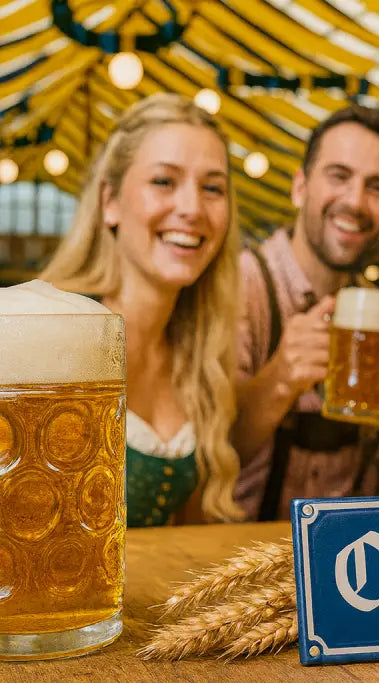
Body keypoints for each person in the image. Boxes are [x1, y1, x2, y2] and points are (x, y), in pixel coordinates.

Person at [43, 93, 244, 526]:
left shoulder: (202, 355)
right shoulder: (51, 339)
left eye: (213, 188)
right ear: (109, 201)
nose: (191, 208)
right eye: (164, 182)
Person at [232, 105, 379, 520]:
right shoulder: (241, 285)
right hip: (246, 564)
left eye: (375, 187)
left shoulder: (376, 307)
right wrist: (280, 377)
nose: (356, 201)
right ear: (300, 188)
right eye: (339, 176)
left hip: (349, 561)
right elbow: (208, 455)